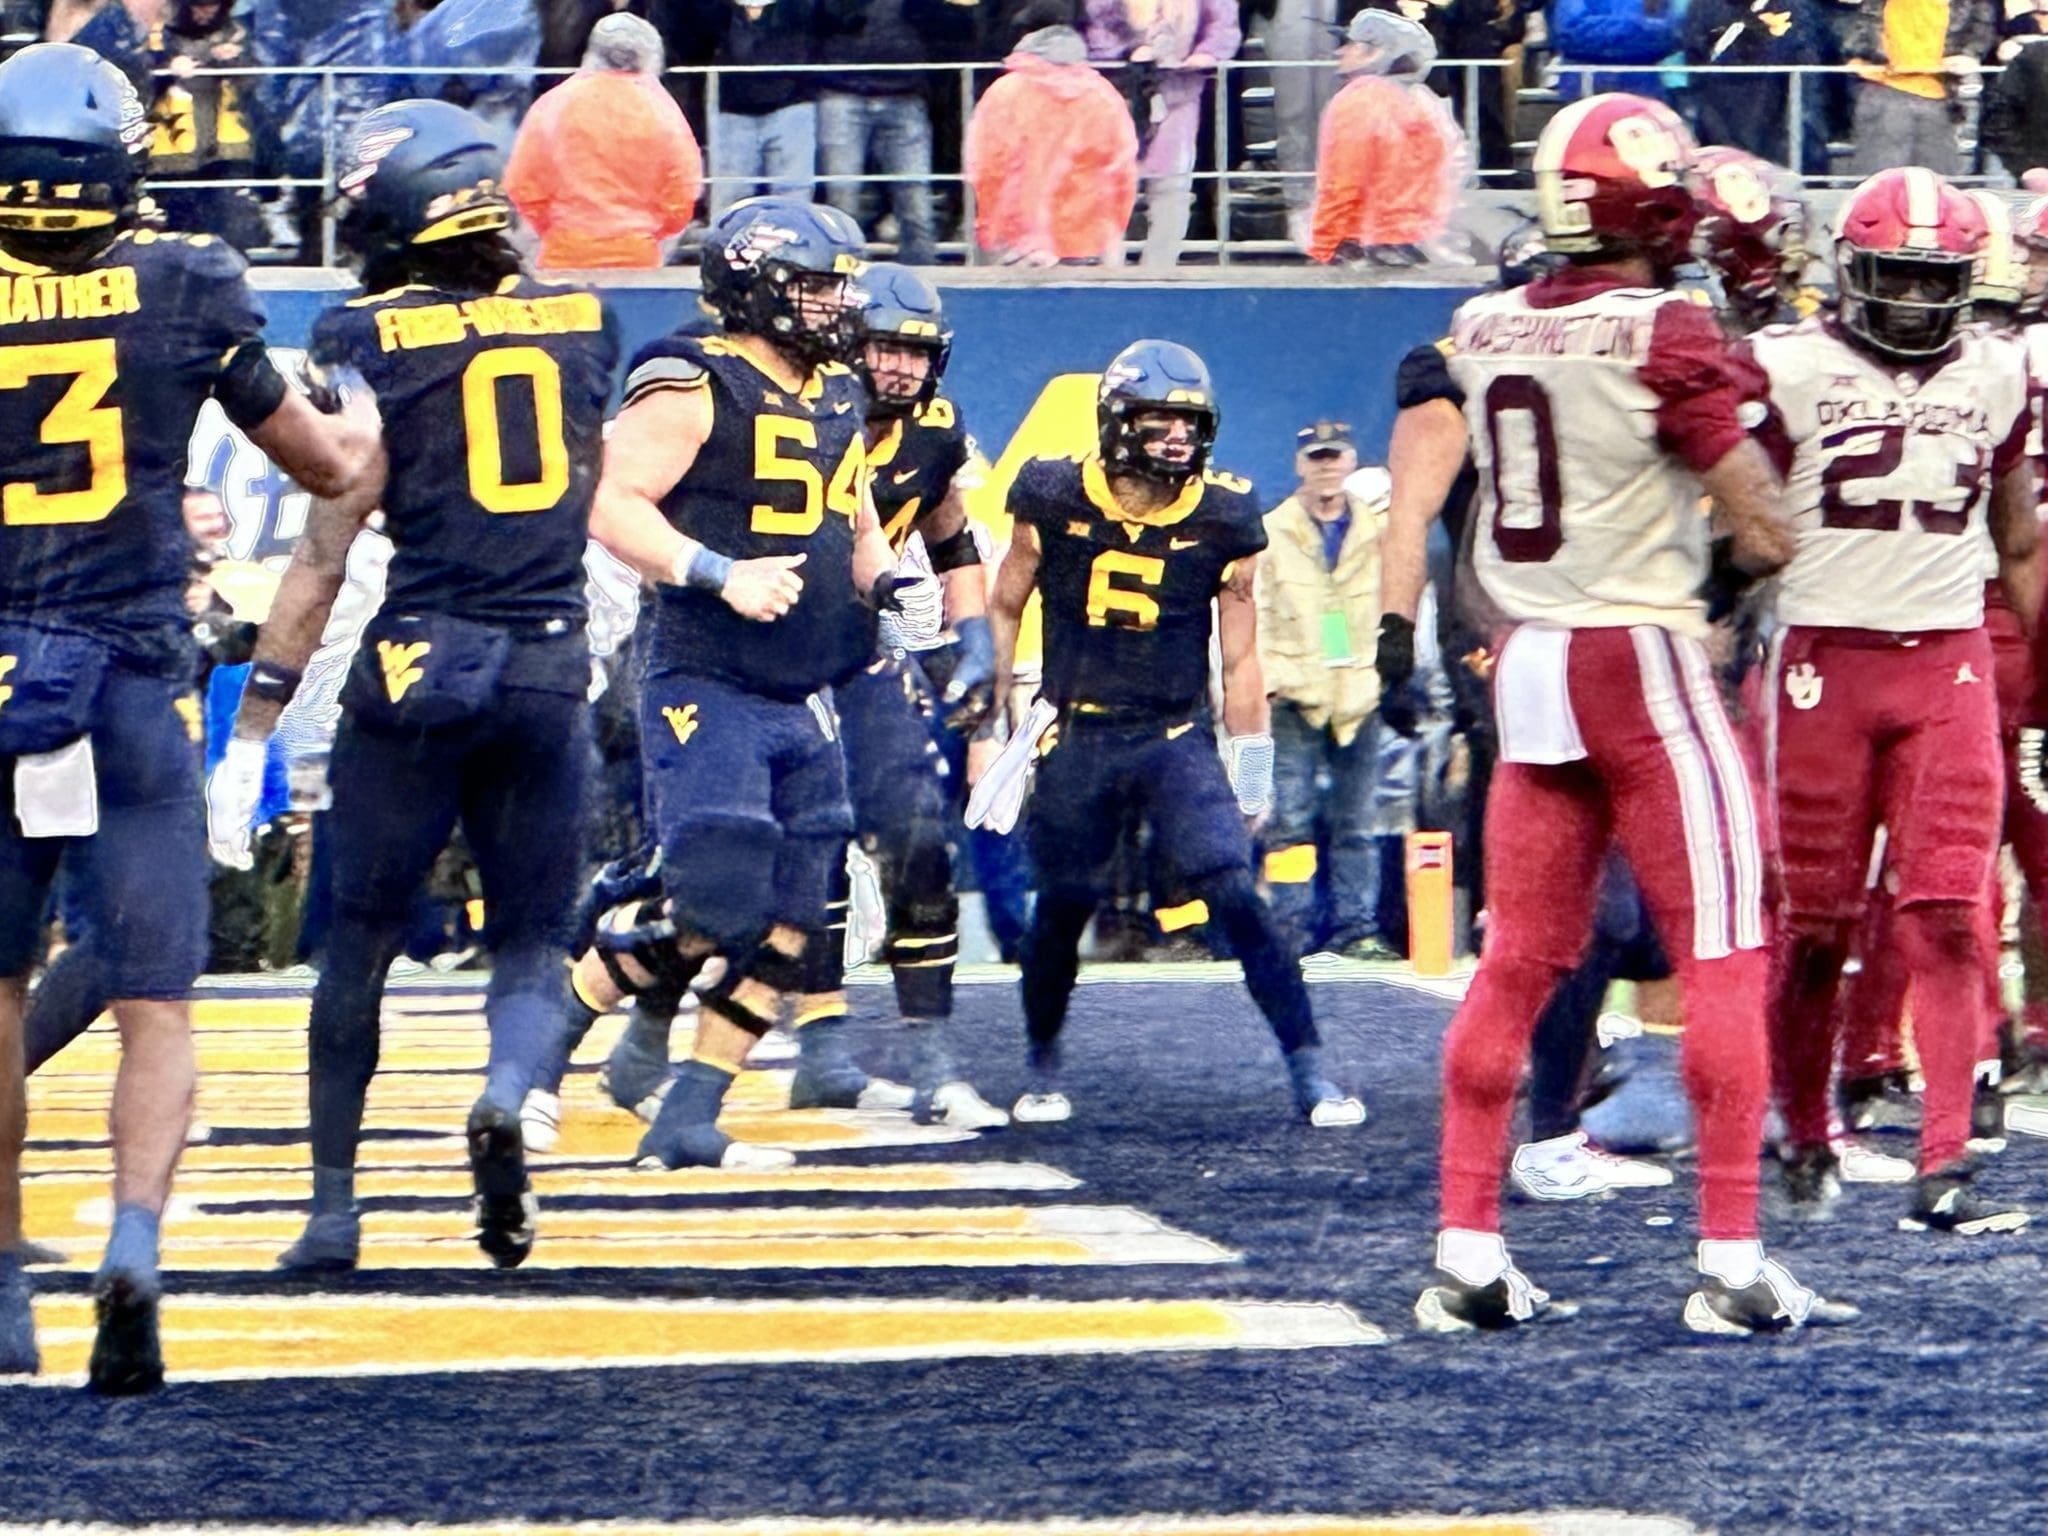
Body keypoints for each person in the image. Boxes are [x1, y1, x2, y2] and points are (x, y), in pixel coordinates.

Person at [1382, 93, 1849, 1335]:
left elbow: (1479, 524)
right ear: (1643, 197)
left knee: (1518, 960)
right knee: (1724, 947)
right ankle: (1732, 1260)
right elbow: (1760, 524)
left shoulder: (1478, 324)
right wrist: (1721, 583)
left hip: (1528, 655)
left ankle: (1466, 1250)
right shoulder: (1665, 326)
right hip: (1636, 655)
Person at [0, 42, 379, 1388]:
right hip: (123, 680)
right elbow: (324, 460)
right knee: (155, 998)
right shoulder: (184, 281)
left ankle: (2, 1277)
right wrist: (356, 421)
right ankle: (136, 1244)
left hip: (0, 682)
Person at [206, 100, 620, 1275]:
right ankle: (501, 1093)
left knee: (361, 945)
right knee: (534, 941)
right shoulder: (591, 319)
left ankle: (334, 1209)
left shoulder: (364, 334)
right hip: (546, 655)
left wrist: (255, 729)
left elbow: (329, 545)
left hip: (418, 656)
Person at [567, 197, 903, 1171]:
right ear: (757, 287)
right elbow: (606, 499)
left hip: (804, 687)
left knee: (797, 920)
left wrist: (887, 583)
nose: (837, 301)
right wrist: (716, 571)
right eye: (815, 283)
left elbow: (856, 515)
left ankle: (690, 1111)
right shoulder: (690, 379)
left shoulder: (836, 387)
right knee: (715, 897)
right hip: (706, 670)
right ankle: (558, 1025)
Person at [976, 340, 1365, 1128]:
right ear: (1117, 421)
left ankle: (1310, 1066)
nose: (1177, 438)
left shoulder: (1224, 513)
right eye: (1159, 420)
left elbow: (1242, 654)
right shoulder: (1052, 493)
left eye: (1187, 422)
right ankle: (1043, 1061)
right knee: (1061, 905)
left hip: (1172, 732)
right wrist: (998, 715)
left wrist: (1251, 771)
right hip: (1076, 727)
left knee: (1233, 887)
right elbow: (1005, 602)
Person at [1753, 168, 2037, 1236]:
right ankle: (1803, 1125)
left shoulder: (2000, 372)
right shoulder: (1785, 364)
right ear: (1851, 275)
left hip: (1945, 662)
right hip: (1823, 659)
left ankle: (1943, 1153)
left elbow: (2014, 533)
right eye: (1897, 280)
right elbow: (1729, 502)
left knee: (1946, 917)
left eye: (1935, 283)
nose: (1916, 303)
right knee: (1816, 926)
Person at [1255, 422, 1398, 961]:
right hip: (1295, 696)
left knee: (1358, 822)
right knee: (1289, 821)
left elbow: (1397, 601)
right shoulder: (1271, 532)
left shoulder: (1380, 533)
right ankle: (1289, 932)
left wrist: (1388, 675)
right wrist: (1267, 681)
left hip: (1360, 695)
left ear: (1350, 460)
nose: (1325, 466)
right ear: (1299, 464)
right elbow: (1256, 613)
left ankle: (1355, 928)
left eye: (1334, 456)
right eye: (1315, 457)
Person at [504, 14, 702, 269]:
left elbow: (522, 185)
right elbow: (683, 188)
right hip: (637, 255)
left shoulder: (553, 105)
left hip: (564, 253)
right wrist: (653, 232)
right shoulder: (662, 110)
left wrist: (553, 228)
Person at [963, 4, 1139, 267]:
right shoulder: (1103, 95)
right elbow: (1123, 171)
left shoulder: (1004, 93)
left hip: (1016, 239)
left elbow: (984, 166)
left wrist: (989, 226)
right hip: (1088, 236)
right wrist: (1113, 228)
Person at [1084, 0, 1240, 270]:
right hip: (1119, 93)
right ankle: (1109, 267)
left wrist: (1208, 53)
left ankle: (1161, 267)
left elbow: (1223, 22)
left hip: (1181, 90)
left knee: (1173, 185)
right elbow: (1096, 22)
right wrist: (1129, 52)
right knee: (1110, 183)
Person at [1307, 10, 1467, 266]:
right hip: (1413, 244)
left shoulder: (1358, 101)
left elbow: (1343, 182)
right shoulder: (1423, 102)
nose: (1340, 52)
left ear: (1376, 52)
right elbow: (1448, 177)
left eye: (1351, 45)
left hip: (1359, 246)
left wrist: (1323, 247)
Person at [1841, 0, 1994, 176]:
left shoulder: (1970, 6)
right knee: (1884, 180)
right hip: (1883, 89)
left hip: (1943, 96)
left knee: (1939, 183)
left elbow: (1980, 25)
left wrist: (1969, 54)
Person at [704, 0, 820, 220]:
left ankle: (791, 254)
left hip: (793, 103)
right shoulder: (718, 11)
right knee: (732, 199)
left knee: (793, 198)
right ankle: (724, 253)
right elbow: (695, 38)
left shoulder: (800, 8)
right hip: (733, 108)